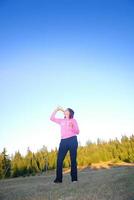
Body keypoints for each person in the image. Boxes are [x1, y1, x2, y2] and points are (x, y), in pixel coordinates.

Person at [50, 106, 80, 183]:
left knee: (73, 160)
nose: (65, 110)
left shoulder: (73, 120)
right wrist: (57, 109)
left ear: (69, 112)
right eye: (65, 110)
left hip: (72, 140)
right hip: (63, 141)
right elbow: (52, 118)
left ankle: (74, 179)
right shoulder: (61, 121)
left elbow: (77, 132)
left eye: (66, 110)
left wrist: (72, 127)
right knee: (59, 160)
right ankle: (59, 179)